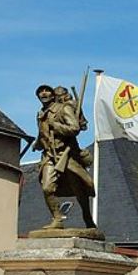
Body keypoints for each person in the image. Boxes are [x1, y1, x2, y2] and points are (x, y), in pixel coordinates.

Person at [33, 84, 96, 229]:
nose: (43, 94)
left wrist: (56, 125)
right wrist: (38, 143)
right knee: (47, 188)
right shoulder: (41, 113)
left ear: (52, 95)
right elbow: (43, 132)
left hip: (67, 155)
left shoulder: (63, 109)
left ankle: (87, 216)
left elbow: (74, 128)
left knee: (79, 188)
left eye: (46, 91)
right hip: (49, 156)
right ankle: (57, 219)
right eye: (40, 92)